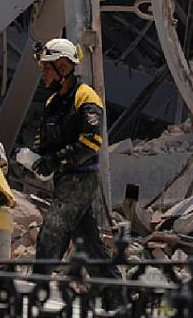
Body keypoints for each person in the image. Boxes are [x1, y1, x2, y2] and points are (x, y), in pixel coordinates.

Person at [30, 38, 121, 282]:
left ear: (62, 66)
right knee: (88, 243)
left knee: (53, 231)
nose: (44, 74)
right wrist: (35, 157)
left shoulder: (86, 97)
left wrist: (56, 160)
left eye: (47, 68)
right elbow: (47, 139)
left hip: (80, 178)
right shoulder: (54, 102)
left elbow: (90, 144)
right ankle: (117, 295)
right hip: (65, 177)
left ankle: (35, 289)